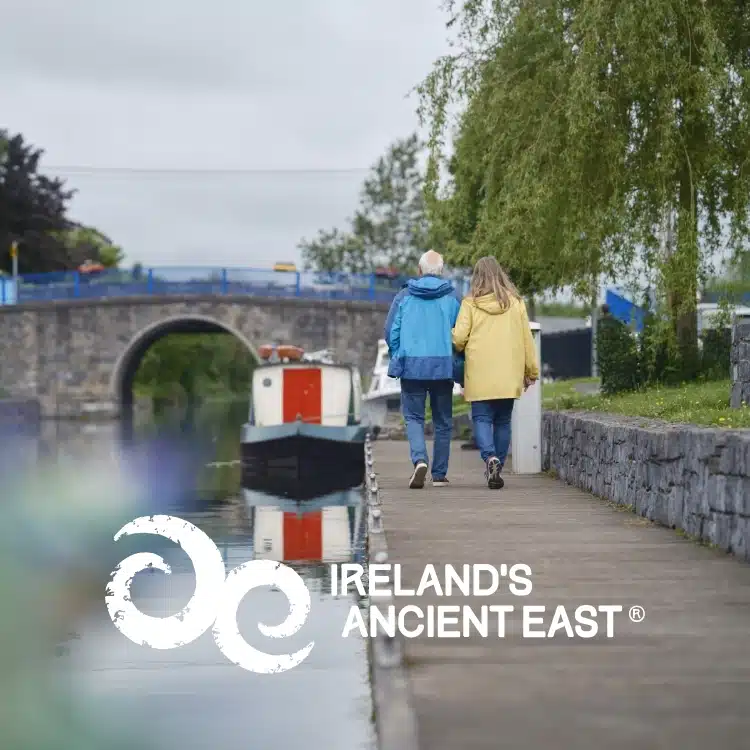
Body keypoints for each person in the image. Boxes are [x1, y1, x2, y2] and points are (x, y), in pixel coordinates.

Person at [452, 256, 539, 489]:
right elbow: (526, 340)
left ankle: (489, 457)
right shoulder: (516, 303)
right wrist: (531, 370)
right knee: (502, 421)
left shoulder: (470, 304)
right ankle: (497, 466)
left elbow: (459, 339)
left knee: (481, 418)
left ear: (476, 277)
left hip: (479, 373)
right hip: (508, 373)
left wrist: (452, 337)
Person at [384, 250, 461, 488]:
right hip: (442, 366)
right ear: (441, 271)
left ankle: (419, 460)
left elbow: (390, 331)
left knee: (414, 417)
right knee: (443, 421)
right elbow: (461, 334)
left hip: (412, 366)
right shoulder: (452, 298)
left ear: (419, 271)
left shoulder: (404, 296)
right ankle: (439, 474)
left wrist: (399, 353)